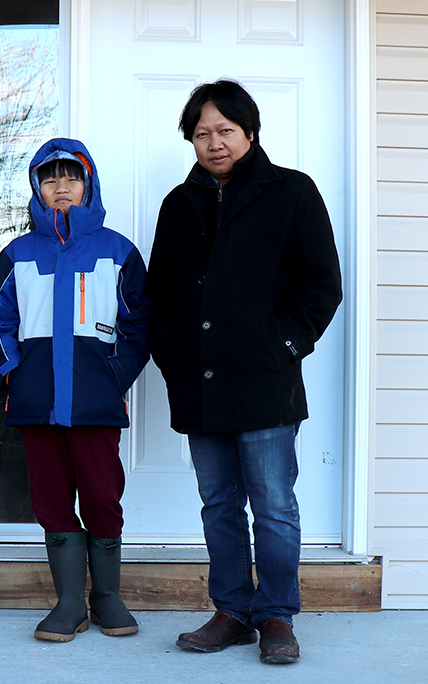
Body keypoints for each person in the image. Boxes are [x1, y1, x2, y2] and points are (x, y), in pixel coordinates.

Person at [146, 80, 342, 665]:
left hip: (265, 383)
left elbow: (321, 286)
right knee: (219, 505)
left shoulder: (292, 193)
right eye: (202, 133)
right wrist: (173, 357)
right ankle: (231, 610)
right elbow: (161, 295)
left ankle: (277, 615)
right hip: (200, 386)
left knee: (275, 505)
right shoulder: (178, 205)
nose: (214, 143)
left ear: (248, 132)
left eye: (224, 130)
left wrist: (282, 344)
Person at [0, 138, 149, 642]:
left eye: (70, 178)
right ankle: (69, 602)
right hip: (36, 402)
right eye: (49, 179)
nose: (60, 187)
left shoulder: (117, 251)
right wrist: (12, 372)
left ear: (88, 185)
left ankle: (108, 597)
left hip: (96, 402)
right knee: (51, 500)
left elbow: (138, 324)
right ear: (36, 187)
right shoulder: (17, 253)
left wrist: (114, 376)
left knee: (102, 496)